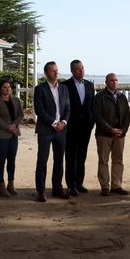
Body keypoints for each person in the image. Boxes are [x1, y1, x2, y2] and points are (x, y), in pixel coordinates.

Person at [33, 61, 70, 202]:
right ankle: (41, 191)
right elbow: (39, 110)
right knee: (42, 160)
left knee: (59, 160)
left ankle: (57, 188)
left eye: (57, 70)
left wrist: (64, 122)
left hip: (61, 130)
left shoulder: (64, 89)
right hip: (45, 130)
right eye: (53, 70)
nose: (56, 72)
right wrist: (54, 123)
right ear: (47, 73)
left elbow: (68, 108)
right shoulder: (40, 89)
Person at [92, 73, 130, 196]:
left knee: (118, 160)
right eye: (111, 80)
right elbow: (97, 117)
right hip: (104, 135)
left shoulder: (122, 97)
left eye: (116, 80)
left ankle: (116, 185)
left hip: (119, 135)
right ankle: (105, 186)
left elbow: (127, 116)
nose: (114, 82)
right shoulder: (99, 97)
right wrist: (110, 129)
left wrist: (123, 130)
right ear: (106, 82)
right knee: (103, 161)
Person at [64, 59, 95, 196]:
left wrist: (92, 121)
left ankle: (79, 183)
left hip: (86, 126)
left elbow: (92, 105)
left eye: (82, 68)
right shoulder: (65, 86)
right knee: (71, 155)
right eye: (77, 69)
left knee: (82, 154)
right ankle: (70, 184)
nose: (81, 70)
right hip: (71, 126)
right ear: (72, 71)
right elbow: (63, 106)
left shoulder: (89, 85)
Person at [0, 79, 23, 197]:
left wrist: (15, 125)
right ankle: (1, 185)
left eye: (9, 87)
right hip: (1, 135)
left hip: (14, 134)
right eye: (4, 87)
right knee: (2, 159)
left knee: (12, 160)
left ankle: (11, 183)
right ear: (0, 89)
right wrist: (9, 127)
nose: (7, 89)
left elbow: (20, 114)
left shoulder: (16, 100)